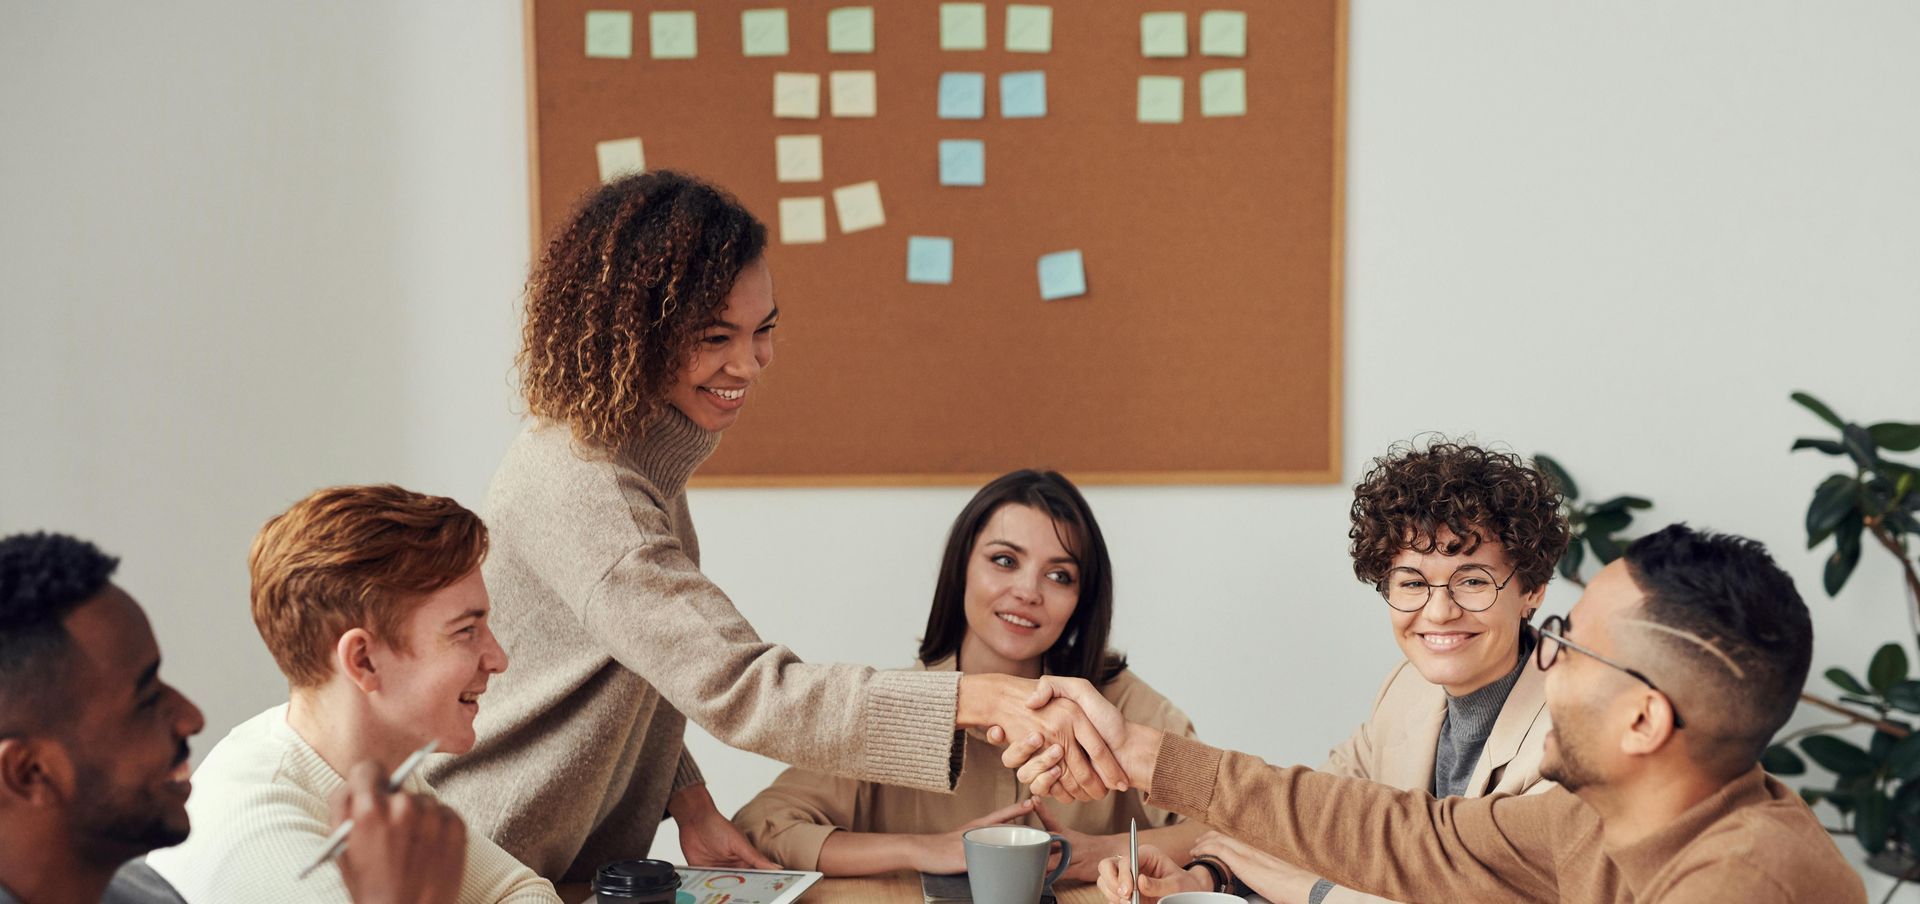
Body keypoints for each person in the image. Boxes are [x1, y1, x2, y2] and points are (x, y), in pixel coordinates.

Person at [426, 170, 1124, 882]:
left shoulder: (631, 456)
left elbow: (643, 662)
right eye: (714, 336)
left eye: (763, 331)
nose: (748, 363)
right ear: (634, 334)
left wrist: (688, 801)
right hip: (486, 865)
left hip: (556, 868)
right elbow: (745, 686)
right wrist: (971, 698)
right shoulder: (591, 488)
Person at [1022, 525, 1864, 903]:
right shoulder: (1591, 822)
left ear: (1644, 722)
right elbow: (1399, 832)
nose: (1549, 656)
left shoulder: (1743, 881)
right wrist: (1142, 753)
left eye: (1570, 644)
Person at [732, 470, 1202, 880]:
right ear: (961, 569)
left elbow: (1237, 824)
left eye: (1059, 576)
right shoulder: (895, 707)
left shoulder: (1120, 704)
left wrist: (1112, 850)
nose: (1027, 592)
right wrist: (923, 849)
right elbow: (762, 826)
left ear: (1082, 601)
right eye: (1004, 561)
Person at [0, 531, 470, 904]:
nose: (192, 717)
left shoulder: (151, 895)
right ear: (30, 772)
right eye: (146, 700)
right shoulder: (260, 812)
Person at [1190, 440, 1567, 904]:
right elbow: (1312, 815)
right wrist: (1209, 876)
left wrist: (1305, 890)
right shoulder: (1405, 689)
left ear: (1532, 590)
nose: (1439, 611)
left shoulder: (1573, 730)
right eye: (1412, 583)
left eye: (1472, 581)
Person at [145, 486, 558, 902]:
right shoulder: (266, 837)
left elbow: (521, 891)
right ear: (362, 660)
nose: (498, 658)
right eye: (466, 631)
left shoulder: (369, 766)